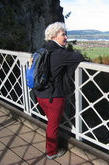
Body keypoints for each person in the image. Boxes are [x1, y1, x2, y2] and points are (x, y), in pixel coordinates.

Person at [33, 22, 85, 160]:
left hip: (39, 94)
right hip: (54, 97)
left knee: (51, 123)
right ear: (54, 36)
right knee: (53, 125)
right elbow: (79, 57)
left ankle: (53, 145)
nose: (66, 37)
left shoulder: (43, 49)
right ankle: (51, 152)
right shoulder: (60, 53)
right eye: (63, 34)